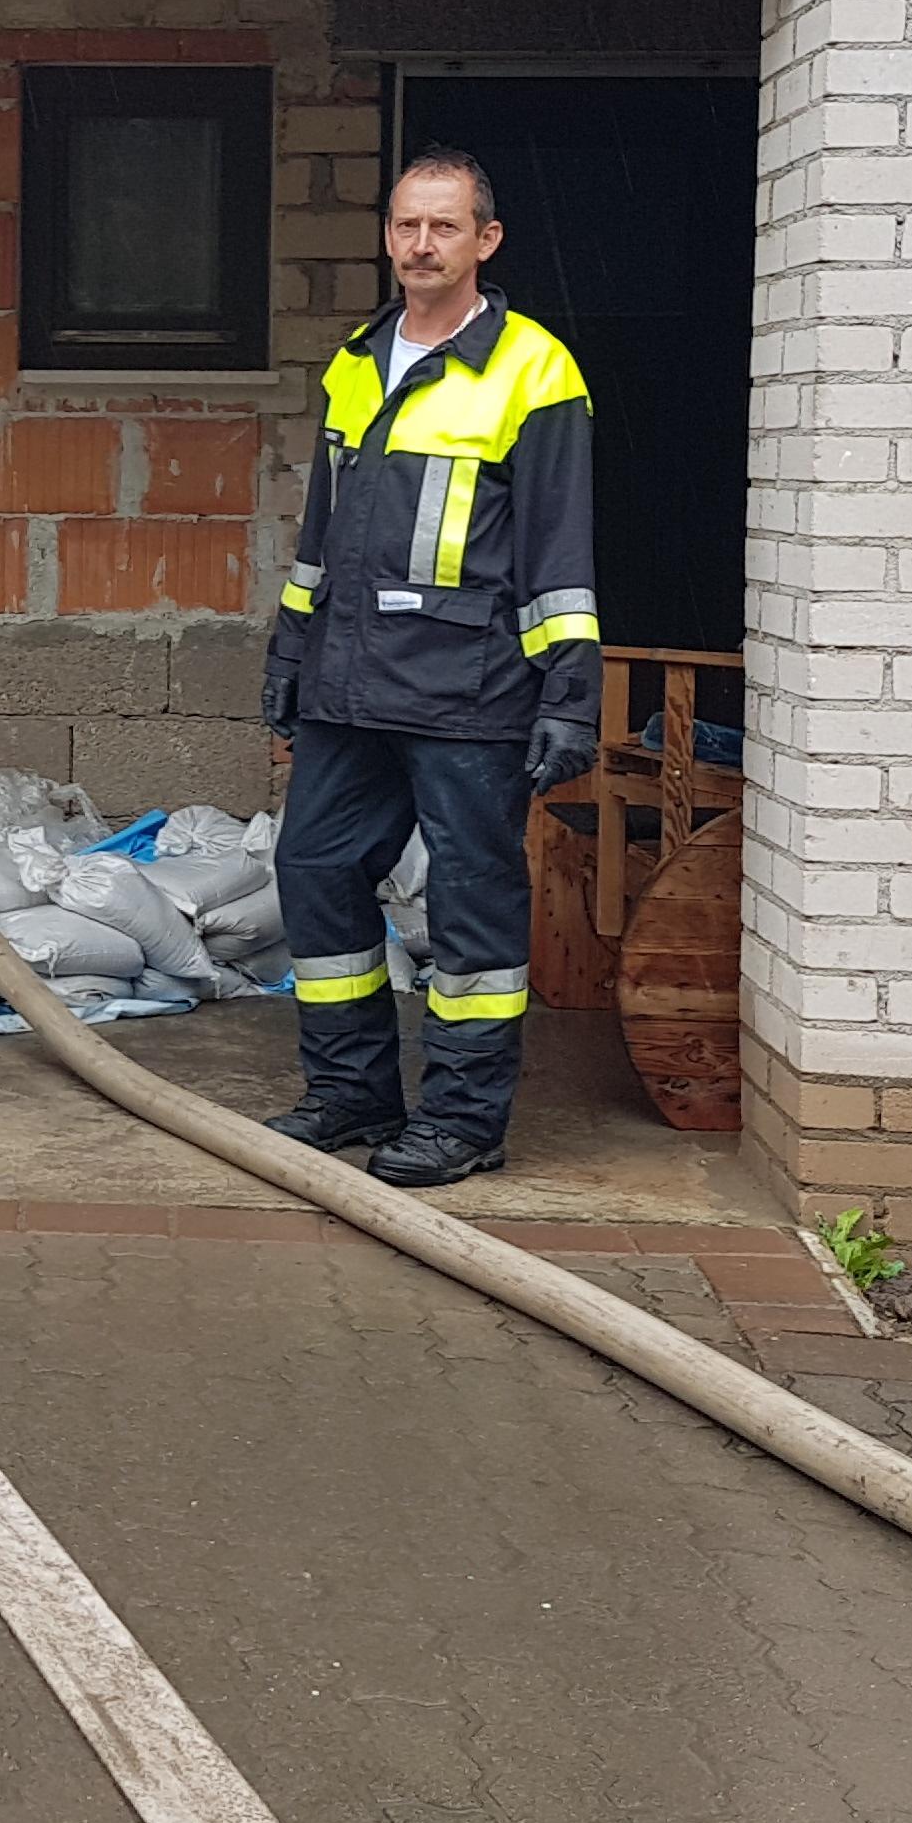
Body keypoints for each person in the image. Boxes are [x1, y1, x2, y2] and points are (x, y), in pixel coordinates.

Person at [257, 149, 601, 1186]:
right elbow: (321, 537)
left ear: (485, 241)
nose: (420, 245)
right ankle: (351, 1092)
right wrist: (290, 650)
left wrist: (570, 698)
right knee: (314, 869)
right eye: (407, 225)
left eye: (443, 226)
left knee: (471, 907)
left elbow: (560, 553)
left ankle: (462, 1121)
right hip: (349, 683)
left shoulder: (534, 369)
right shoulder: (356, 361)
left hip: (471, 688)